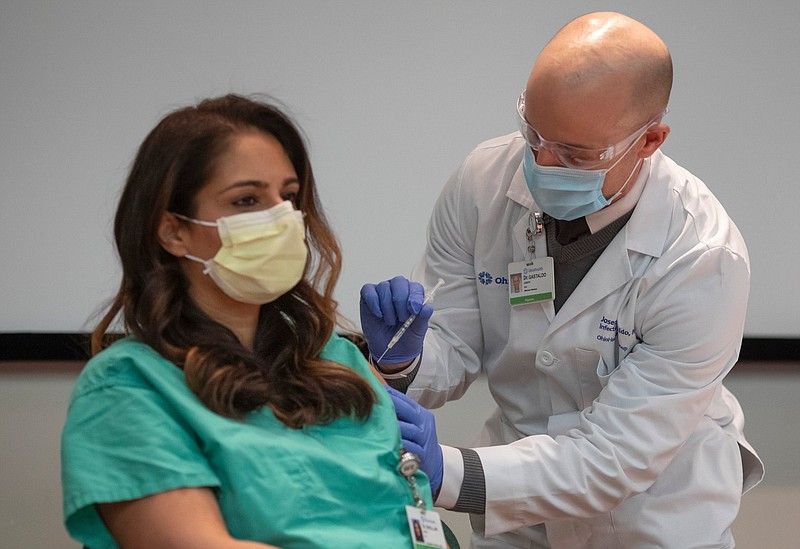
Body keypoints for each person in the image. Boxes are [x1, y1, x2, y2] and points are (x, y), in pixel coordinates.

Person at [360, 12, 763, 549]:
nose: (542, 164)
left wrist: (447, 472)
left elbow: (612, 459)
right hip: (518, 510)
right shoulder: (483, 181)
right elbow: (454, 344)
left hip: (650, 516)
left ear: (650, 141)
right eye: (534, 135)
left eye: (575, 153)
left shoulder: (701, 257)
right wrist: (402, 361)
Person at [60, 94, 435, 549]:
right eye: (247, 199)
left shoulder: (333, 359)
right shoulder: (127, 388)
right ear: (173, 231)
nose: (281, 217)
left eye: (289, 196)